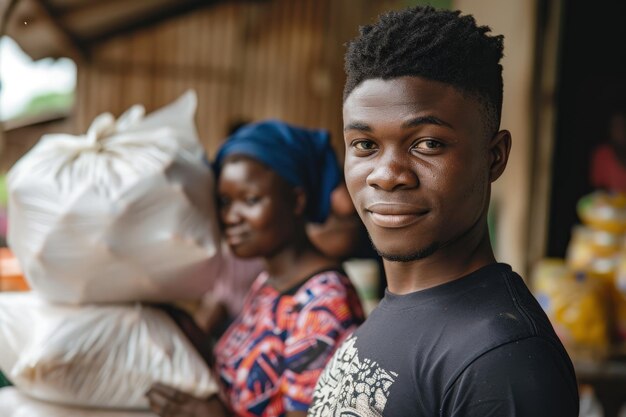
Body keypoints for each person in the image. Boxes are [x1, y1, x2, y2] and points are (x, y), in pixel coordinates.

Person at [307, 6, 579, 416]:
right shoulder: (401, 307)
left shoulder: (500, 359)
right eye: (365, 145)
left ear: (494, 157)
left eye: (428, 144)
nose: (387, 175)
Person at [147, 120, 365, 417]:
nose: (230, 217)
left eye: (250, 200)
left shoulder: (324, 303)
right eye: (225, 202)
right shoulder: (269, 282)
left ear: (297, 200)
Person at [590, 108, 626, 193]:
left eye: (622, 126)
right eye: (615, 126)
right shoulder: (601, 154)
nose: (619, 130)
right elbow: (598, 188)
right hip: (609, 203)